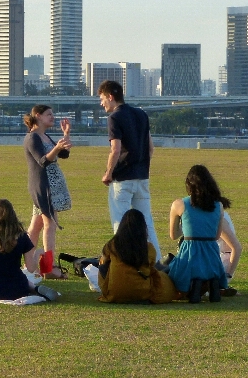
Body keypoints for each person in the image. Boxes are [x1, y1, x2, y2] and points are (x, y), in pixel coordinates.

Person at [98, 79, 162, 261]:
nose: (101, 103)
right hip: (142, 177)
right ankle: (156, 262)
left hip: (123, 179)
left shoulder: (114, 118)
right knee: (146, 222)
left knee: (120, 222)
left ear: (111, 97)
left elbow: (116, 149)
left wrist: (108, 172)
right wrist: (142, 167)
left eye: (102, 98)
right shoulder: (141, 114)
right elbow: (150, 148)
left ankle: (124, 262)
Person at [23, 104, 73, 279]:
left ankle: (29, 266)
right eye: (48, 114)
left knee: (35, 227)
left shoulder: (44, 136)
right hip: (44, 186)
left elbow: (63, 155)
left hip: (51, 185)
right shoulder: (33, 137)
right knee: (49, 225)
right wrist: (58, 148)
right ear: (37, 116)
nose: (52, 117)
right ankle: (48, 268)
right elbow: (43, 161)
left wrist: (65, 135)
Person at [167, 165, 229, 303]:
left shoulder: (179, 204)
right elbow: (216, 236)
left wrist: (188, 228)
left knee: (171, 270)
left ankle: (194, 286)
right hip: (211, 255)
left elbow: (173, 235)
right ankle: (212, 284)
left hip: (189, 252)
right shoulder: (218, 206)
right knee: (207, 266)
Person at [97, 209, 178, 304]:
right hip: (142, 292)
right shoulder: (148, 247)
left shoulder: (112, 245)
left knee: (103, 264)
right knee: (164, 279)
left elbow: (103, 263)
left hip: (115, 293)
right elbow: (151, 267)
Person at [0, 199, 42, 301]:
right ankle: (35, 289)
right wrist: (37, 254)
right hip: (18, 289)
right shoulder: (22, 237)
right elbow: (31, 268)